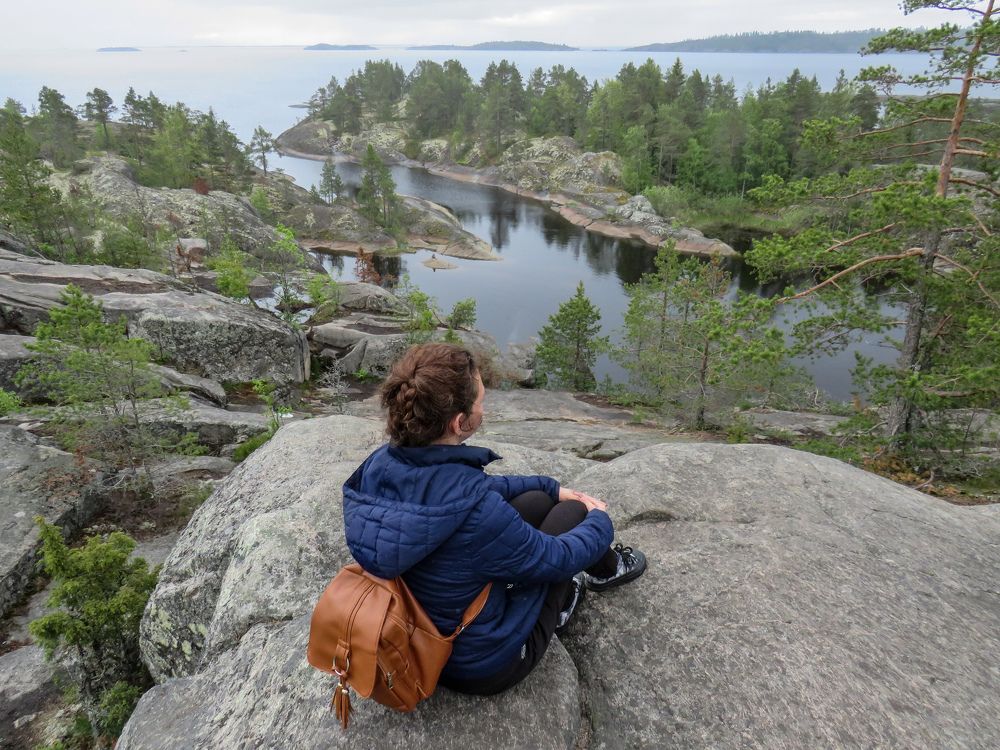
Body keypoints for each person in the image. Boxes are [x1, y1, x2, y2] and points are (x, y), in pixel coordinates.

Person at [342, 342, 646, 695]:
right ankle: (596, 580)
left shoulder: (380, 465)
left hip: (417, 629)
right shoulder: (481, 515)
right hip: (479, 664)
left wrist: (549, 486)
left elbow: (474, 490)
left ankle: (582, 570)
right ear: (460, 422)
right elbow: (557, 557)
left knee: (534, 500)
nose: (484, 408)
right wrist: (598, 518)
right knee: (571, 515)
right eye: (481, 402)